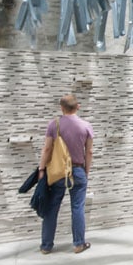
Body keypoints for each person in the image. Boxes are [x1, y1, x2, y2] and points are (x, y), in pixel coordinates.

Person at [38, 94, 94, 253]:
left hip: (57, 171)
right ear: (78, 106)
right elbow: (89, 152)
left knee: (51, 208)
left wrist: (42, 169)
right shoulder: (86, 126)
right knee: (77, 207)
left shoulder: (53, 125)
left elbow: (47, 149)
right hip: (78, 170)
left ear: (61, 108)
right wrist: (86, 171)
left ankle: (46, 247)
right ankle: (78, 244)